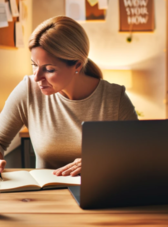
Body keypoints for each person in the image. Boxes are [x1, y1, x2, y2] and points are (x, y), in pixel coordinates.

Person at [0, 16, 138, 176]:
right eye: (34, 66)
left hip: (103, 193)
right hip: (47, 196)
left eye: (49, 69)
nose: (37, 77)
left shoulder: (115, 98)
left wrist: (100, 160)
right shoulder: (28, 90)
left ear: (77, 65)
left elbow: (140, 151)